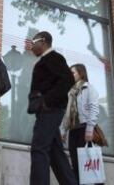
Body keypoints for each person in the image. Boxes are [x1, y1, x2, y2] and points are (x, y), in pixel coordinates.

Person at [28, 31, 77, 185]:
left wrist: (46, 101)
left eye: (32, 42)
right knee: (56, 154)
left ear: (43, 41)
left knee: (39, 149)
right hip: (49, 110)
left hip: (50, 111)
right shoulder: (46, 60)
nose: (31, 46)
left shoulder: (54, 57)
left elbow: (68, 80)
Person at [62, 63, 103, 185]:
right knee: (76, 164)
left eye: (73, 73)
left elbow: (94, 110)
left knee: (88, 165)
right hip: (73, 131)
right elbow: (66, 114)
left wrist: (90, 130)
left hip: (84, 130)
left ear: (81, 74)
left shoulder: (89, 89)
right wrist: (63, 132)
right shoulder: (70, 92)